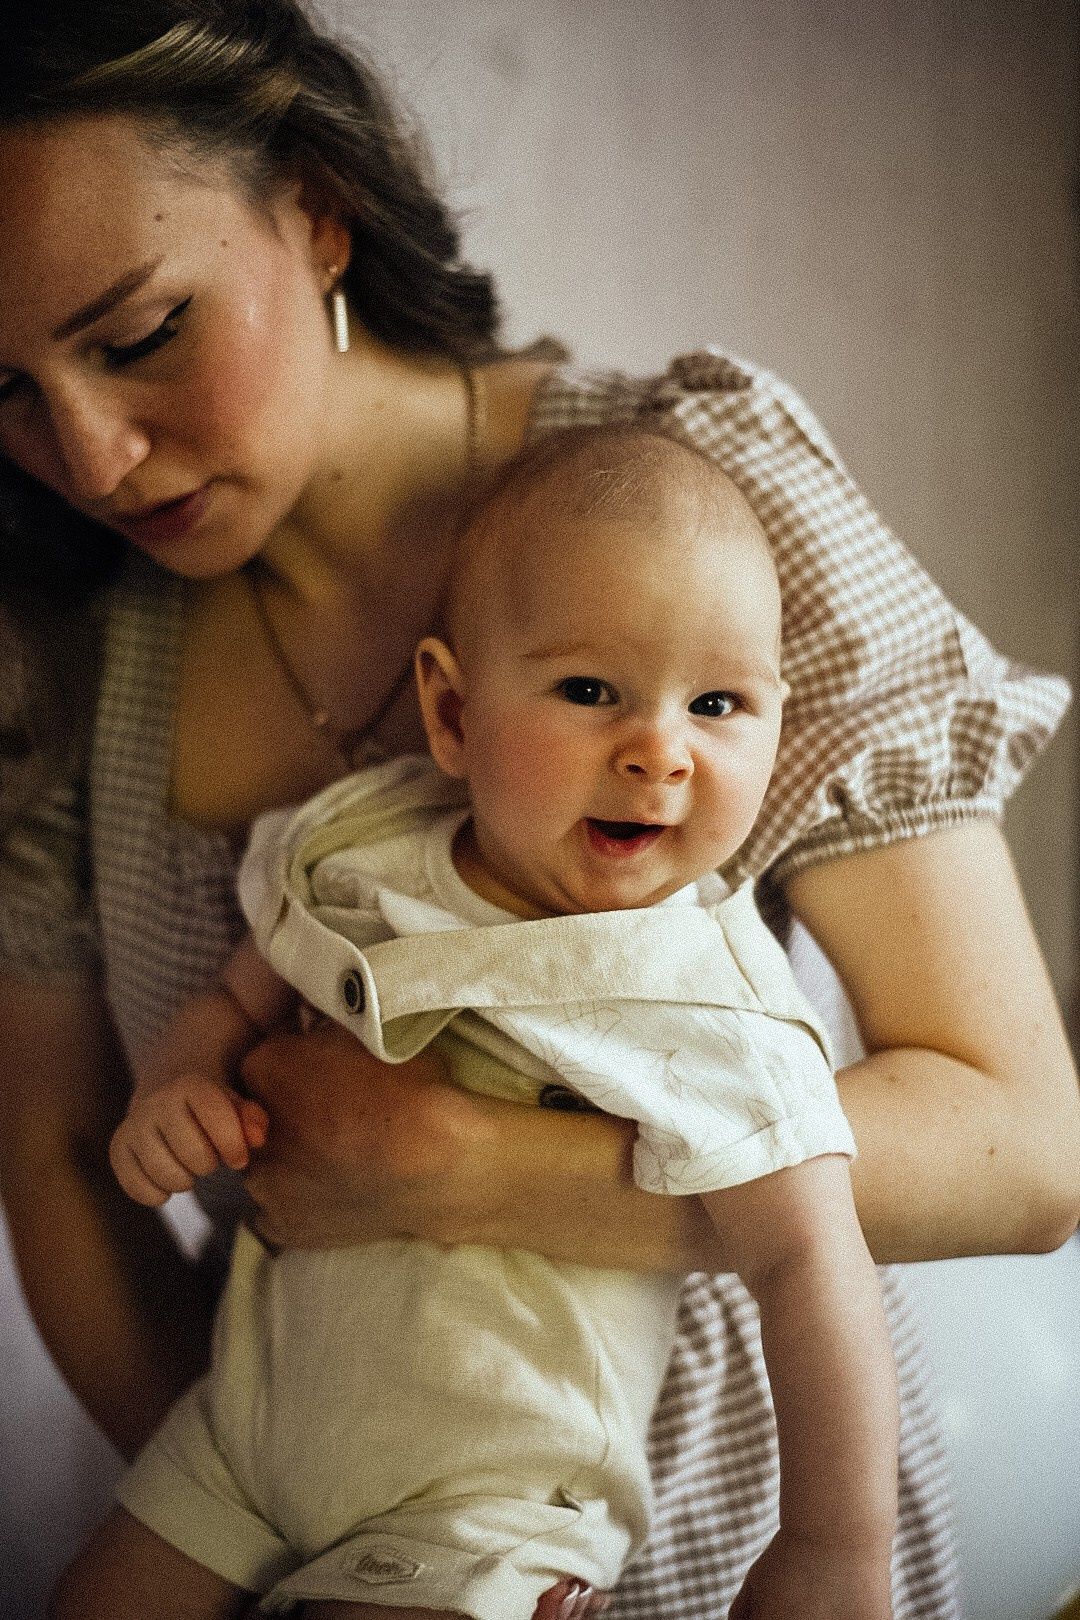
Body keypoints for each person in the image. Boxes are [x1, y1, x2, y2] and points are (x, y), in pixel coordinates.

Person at [0, 2, 1076, 1617]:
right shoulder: (73, 650)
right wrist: (291, 1531)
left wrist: (466, 1169)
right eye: (0, 388)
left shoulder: (692, 493)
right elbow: (62, 1148)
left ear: (315, 207)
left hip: (722, 1525)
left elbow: (1021, 1147)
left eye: (142, 333)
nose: (87, 451)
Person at [101, 427, 899, 1619]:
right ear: (453, 712)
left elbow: (808, 1259)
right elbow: (239, 992)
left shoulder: (705, 992)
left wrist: (836, 1546)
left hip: (486, 1497)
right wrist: (179, 1084)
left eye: (720, 703)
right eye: (591, 692)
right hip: (250, 1424)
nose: (659, 752)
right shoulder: (364, 841)